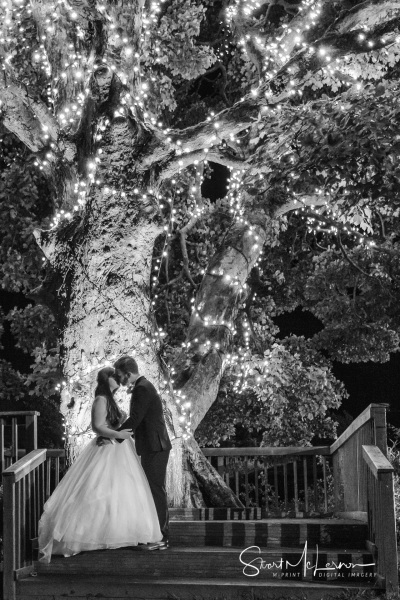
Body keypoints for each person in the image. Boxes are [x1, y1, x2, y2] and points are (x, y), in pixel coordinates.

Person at [38, 367, 162, 563]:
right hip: (107, 449)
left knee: (122, 491)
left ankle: (120, 533)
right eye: (114, 376)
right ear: (106, 380)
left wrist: (119, 435)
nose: (118, 379)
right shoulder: (101, 399)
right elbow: (98, 426)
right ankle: (87, 536)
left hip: (120, 450)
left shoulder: (110, 400)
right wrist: (117, 435)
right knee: (97, 489)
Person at [113, 355, 172, 546]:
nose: (119, 379)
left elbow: (135, 419)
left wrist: (113, 436)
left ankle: (162, 536)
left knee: (155, 490)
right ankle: (156, 532)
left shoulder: (142, 389)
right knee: (153, 489)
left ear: (128, 373)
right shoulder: (143, 386)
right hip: (153, 445)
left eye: (120, 375)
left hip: (155, 446)